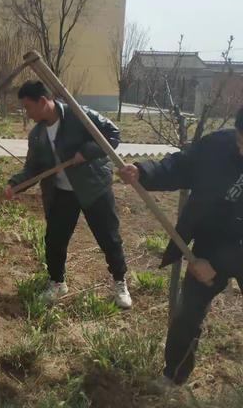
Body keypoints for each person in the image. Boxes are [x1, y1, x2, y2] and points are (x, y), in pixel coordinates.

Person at [118, 108, 243, 389]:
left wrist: (220, 264)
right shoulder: (219, 146)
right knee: (187, 314)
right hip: (211, 241)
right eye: (239, 142)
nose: (241, 150)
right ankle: (173, 375)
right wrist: (144, 171)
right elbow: (183, 165)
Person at [4, 80, 132, 307]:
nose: (27, 113)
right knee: (54, 239)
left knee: (108, 237)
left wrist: (87, 151)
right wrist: (15, 184)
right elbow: (33, 168)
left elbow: (113, 135)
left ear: (43, 102)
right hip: (61, 191)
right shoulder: (37, 134)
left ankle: (120, 281)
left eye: (28, 107)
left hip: (93, 186)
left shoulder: (79, 115)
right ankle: (57, 282)